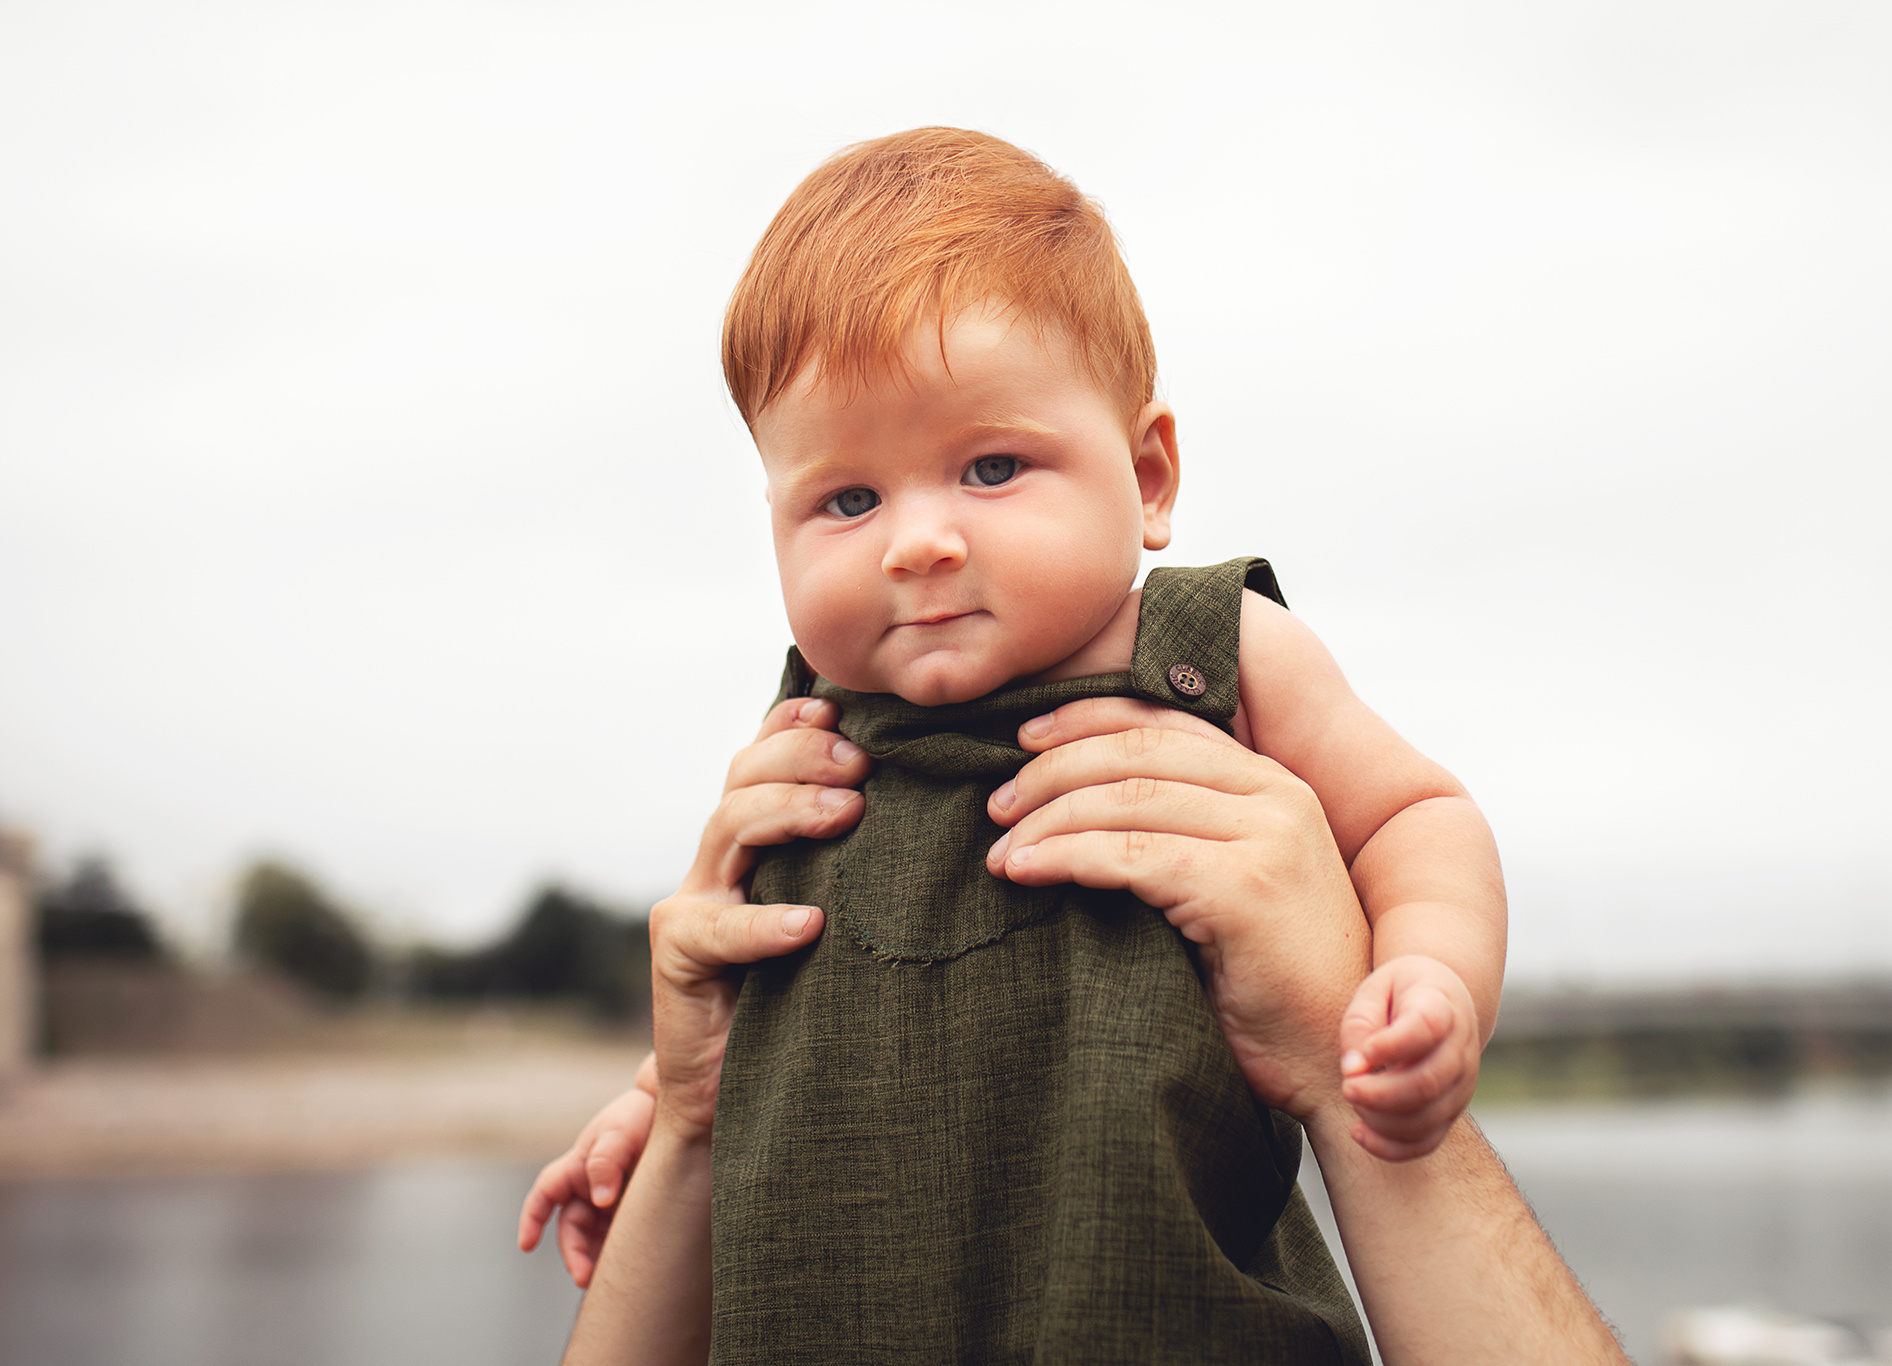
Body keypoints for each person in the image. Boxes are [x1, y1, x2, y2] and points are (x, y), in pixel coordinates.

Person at [521, 127, 1607, 1362]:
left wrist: (1427, 979)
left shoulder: (1209, 658)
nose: (914, 542)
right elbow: (761, 989)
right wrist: (658, 1112)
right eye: (847, 499)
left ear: (1146, 476)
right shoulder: (808, 737)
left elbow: (1414, 817)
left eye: (990, 467)